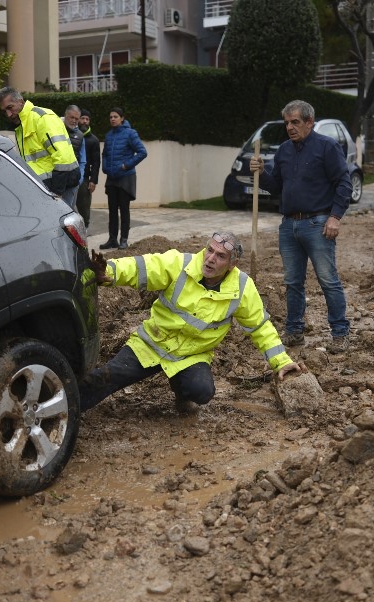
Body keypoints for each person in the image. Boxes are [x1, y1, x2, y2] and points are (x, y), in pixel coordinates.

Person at [78, 232, 303, 413]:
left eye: (220, 256)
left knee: (202, 392)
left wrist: (281, 361)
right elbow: (143, 267)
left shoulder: (242, 287)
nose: (211, 259)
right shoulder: (180, 263)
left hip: (190, 356)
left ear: (232, 264)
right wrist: (109, 272)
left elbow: (260, 327)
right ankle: (66, 408)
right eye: (210, 251)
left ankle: (182, 392)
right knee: (105, 377)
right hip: (152, 344)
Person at [248, 99, 353, 353]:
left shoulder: (326, 147)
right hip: (289, 226)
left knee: (328, 280)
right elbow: (277, 187)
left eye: (295, 122)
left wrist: (335, 217)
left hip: (318, 224)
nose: (290, 127)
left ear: (309, 122)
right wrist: (261, 173)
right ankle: (294, 331)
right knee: (293, 282)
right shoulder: (284, 150)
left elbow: (344, 183)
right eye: (287, 123)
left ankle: (340, 333)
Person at [0, 87, 80, 205]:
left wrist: (56, 194)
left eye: (10, 108)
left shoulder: (42, 118)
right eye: (4, 111)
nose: (8, 114)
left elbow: (63, 158)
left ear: (21, 102)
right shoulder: (23, 124)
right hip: (47, 188)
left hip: (60, 189)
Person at [100, 107, 147, 250]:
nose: (112, 119)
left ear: (122, 118)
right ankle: (112, 239)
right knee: (112, 210)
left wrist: (126, 166)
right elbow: (105, 154)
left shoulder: (130, 134)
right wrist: (105, 168)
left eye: (115, 116)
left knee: (124, 210)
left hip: (125, 178)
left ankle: (124, 240)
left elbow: (142, 152)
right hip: (112, 178)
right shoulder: (108, 135)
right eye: (110, 117)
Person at [75, 108, 101, 233]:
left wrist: (93, 180)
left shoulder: (93, 140)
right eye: (83, 118)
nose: (84, 121)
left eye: (87, 119)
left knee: (84, 208)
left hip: (85, 179)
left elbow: (96, 162)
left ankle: (84, 230)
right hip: (71, 177)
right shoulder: (72, 136)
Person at [62, 104, 86, 208]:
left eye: (77, 118)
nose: (74, 121)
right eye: (72, 117)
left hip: (72, 182)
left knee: (69, 212)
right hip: (55, 180)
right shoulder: (54, 130)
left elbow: (82, 160)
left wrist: (79, 179)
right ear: (65, 115)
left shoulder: (80, 136)